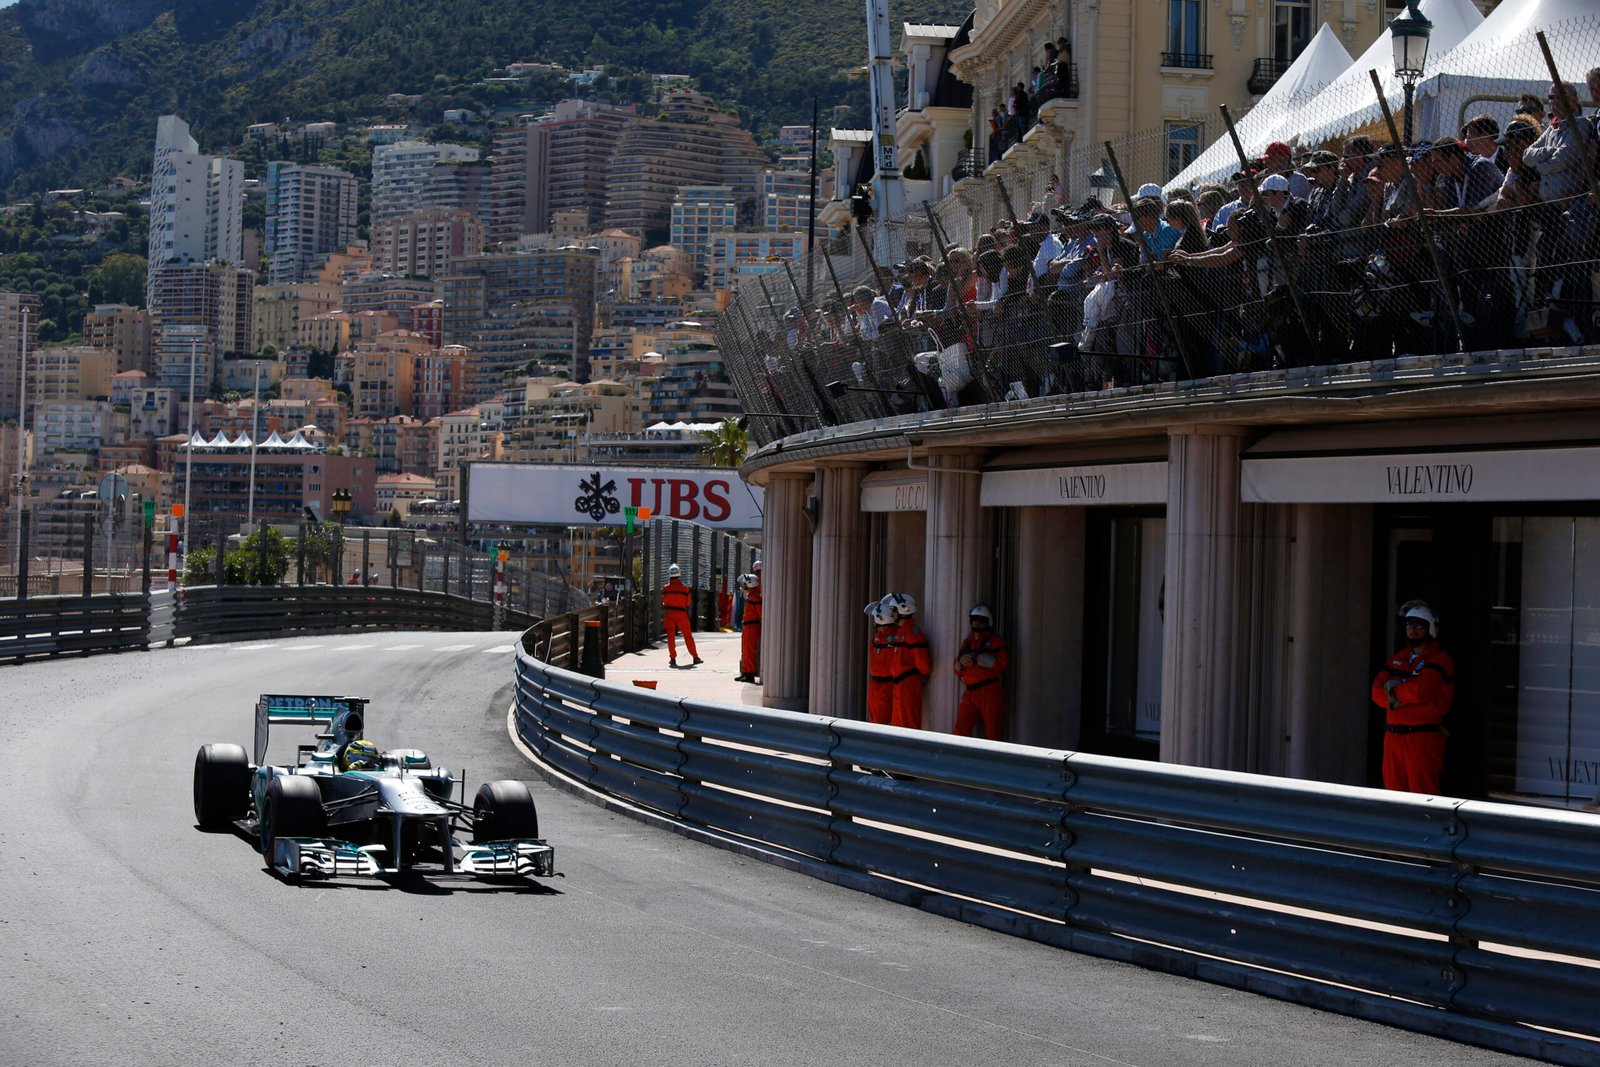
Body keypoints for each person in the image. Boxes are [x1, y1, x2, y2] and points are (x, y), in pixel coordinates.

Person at [1369, 600, 1455, 794]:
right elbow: (1376, 692)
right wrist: (1401, 697)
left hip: (1422, 738)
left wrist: (1393, 693)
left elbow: (1421, 690)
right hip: (1393, 738)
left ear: (1429, 628)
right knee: (1393, 795)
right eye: (1409, 625)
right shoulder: (1398, 658)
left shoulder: (1439, 659)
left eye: (1418, 625)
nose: (1412, 630)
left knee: (1423, 795)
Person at [952, 603, 1009, 741]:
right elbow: (956, 668)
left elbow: (1003, 665)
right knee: (960, 731)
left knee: (993, 732)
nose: (977, 622)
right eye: (975, 619)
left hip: (989, 692)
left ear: (988, 622)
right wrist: (960, 663)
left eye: (981, 620)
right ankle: (959, 760)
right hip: (970, 693)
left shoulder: (996, 642)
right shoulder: (967, 642)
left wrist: (983, 660)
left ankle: (995, 761)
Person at [887, 593, 930, 730]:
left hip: (908, 685)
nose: (892, 614)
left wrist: (917, 679)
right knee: (898, 724)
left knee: (908, 724)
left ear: (904, 610)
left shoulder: (912, 632)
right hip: (900, 685)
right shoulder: (902, 632)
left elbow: (924, 665)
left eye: (894, 610)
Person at [865, 599, 898, 725]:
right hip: (874, 683)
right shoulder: (877, 637)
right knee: (873, 720)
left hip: (887, 684)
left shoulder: (896, 635)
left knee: (880, 721)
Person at [661, 562, 701, 668]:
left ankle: (672, 658)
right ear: (679, 574)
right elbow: (687, 603)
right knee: (687, 635)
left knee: (670, 636)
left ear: (669, 574)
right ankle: (695, 657)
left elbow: (664, 601)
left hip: (669, 613)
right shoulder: (685, 589)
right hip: (681, 613)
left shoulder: (665, 588)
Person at [736, 565, 762, 683]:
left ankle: (749, 674)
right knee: (745, 650)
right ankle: (746, 672)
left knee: (750, 650)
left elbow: (760, 613)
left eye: (746, 583)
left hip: (752, 626)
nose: (744, 585)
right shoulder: (752, 594)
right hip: (748, 625)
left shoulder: (755, 597)